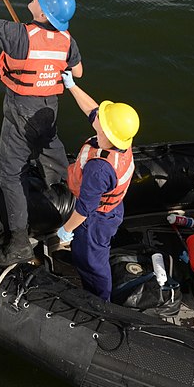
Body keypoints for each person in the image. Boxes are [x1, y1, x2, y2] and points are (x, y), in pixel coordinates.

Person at [0, 0, 83, 267]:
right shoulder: (67, 40)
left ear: (42, 13)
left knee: (9, 173)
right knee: (51, 151)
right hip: (48, 111)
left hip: (22, 112)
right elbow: (78, 71)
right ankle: (66, 205)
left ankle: (19, 244)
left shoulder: (19, 35)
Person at [57, 72, 139, 301]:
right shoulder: (119, 143)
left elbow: (84, 208)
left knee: (92, 261)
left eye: (102, 125)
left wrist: (66, 230)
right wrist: (72, 86)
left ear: (108, 133)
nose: (98, 122)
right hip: (112, 210)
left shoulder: (99, 169)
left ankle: (102, 300)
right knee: (91, 253)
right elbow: (93, 111)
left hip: (96, 220)